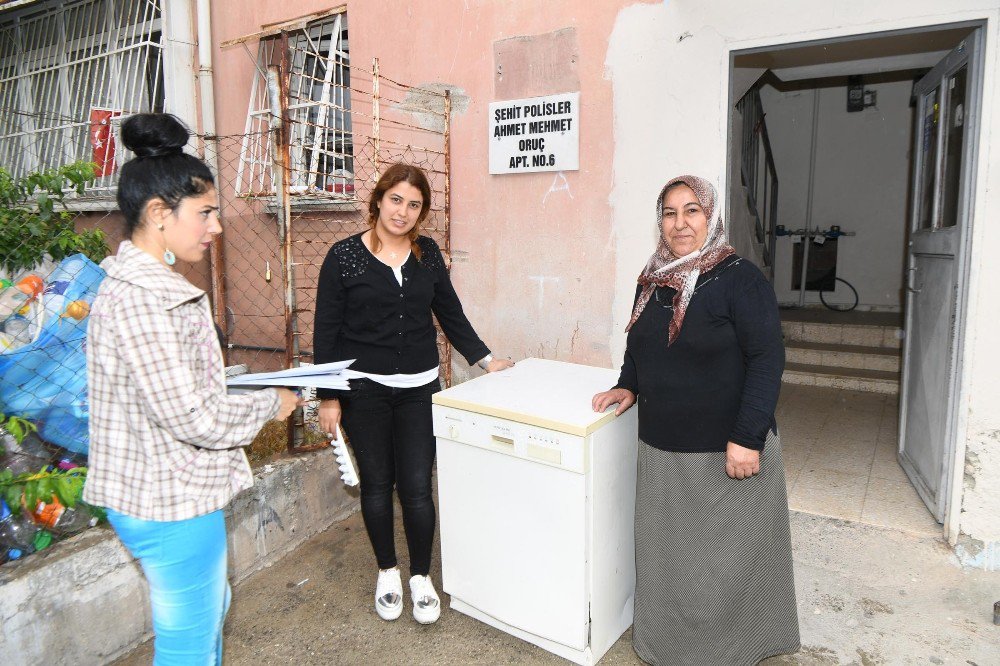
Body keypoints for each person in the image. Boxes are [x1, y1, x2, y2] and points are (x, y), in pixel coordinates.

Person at [84, 113, 300, 665]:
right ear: (160, 214)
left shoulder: (139, 286)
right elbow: (195, 419)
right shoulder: (144, 300)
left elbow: (173, 395)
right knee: (189, 647)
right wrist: (269, 406)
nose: (217, 227)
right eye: (205, 213)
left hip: (162, 491)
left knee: (205, 620)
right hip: (169, 502)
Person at [592, 175, 799, 664]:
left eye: (692, 211)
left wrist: (748, 436)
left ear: (711, 217)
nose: (680, 223)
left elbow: (768, 359)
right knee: (673, 563)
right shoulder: (654, 278)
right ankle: (670, 647)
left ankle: (733, 650)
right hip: (664, 449)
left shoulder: (740, 279)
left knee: (726, 564)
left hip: (725, 449)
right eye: (670, 212)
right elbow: (639, 344)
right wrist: (628, 383)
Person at [314, 163, 513, 625]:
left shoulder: (427, 255)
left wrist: (486, 360)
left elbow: (450, 313)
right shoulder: (343, 257)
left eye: (414, 204)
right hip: (364, 391)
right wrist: (329, 397)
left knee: (419, 487)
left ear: (422, 212)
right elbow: (326, 333)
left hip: (420, 389)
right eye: (397, 199)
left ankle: (420, 576)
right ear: (379, 200)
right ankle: (387, 570)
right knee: (378, 485)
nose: (403, 211)